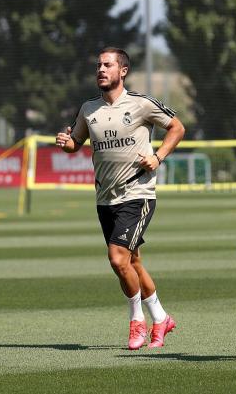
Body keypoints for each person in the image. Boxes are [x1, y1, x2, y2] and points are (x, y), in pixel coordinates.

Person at [56, 47, 185, 350]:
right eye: (98, 65)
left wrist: (158, 156)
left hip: (137, 193)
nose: (101, 69)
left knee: (117, 258)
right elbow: (76, 142)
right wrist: (67, 143)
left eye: (107, 65)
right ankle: (162, 318)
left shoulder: (141, 104)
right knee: (133, 262)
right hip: (105, 197)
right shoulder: (89, 108)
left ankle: (136, 321)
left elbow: (177, 127)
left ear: (122, 71)